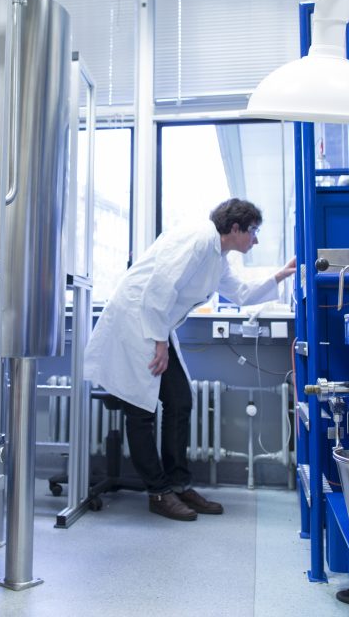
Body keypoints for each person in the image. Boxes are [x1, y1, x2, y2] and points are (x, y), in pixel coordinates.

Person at [84, 198, 296, 521]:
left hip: (155, 325)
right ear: (235, 227)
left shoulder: (217, 256)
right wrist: (159, 342)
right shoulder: (199, 238)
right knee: (140, 411)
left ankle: (178, 484)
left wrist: (281, 276)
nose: (256, 239)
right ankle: (158, 492)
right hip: (136, 320)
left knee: (180, 400)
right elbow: (160, 285)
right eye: (253, 231)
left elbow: (239, 293)